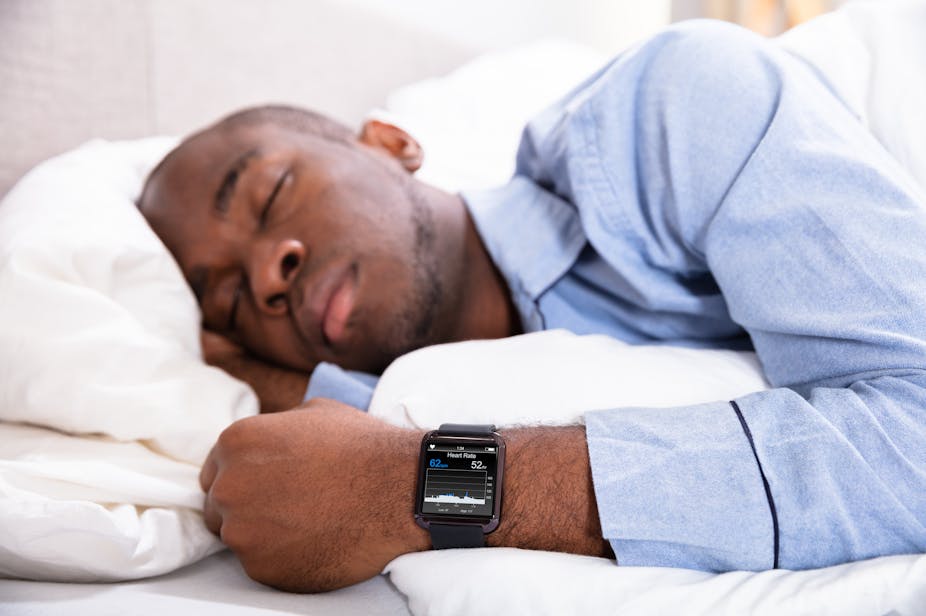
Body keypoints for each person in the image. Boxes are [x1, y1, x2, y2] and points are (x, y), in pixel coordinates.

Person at [138, 20, 926, 593]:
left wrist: (411, 486)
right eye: (235, 297)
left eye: (273, 192)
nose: (269, 272)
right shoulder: (394, 398)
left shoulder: (671, 109)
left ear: (389, 143)